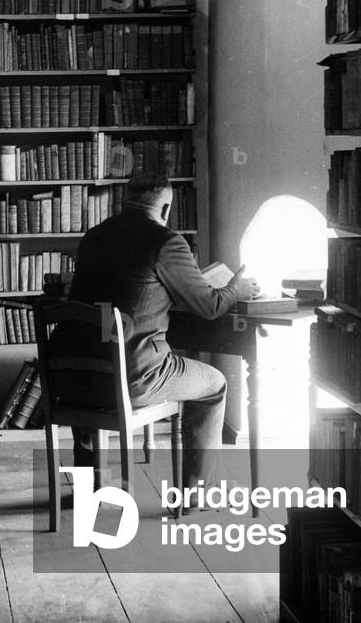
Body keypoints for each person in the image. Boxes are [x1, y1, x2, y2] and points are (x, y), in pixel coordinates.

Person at [47, 172, 258, 507]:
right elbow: (210, 305)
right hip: (132, 383)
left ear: (126, 201)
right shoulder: (166, 241)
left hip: (73, 383)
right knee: (215, 384)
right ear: (165, 208)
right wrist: (238, 288)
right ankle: (198, 492)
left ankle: (89, 489)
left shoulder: (94, 237)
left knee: (96, 355)